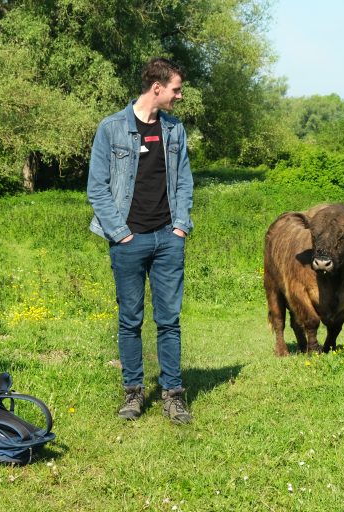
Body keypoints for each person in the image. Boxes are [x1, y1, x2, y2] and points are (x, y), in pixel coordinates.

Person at [87, 57, 194, 424]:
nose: (179, 96)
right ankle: (133, 393)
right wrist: (122, 234)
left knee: (169, 320)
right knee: (130, 321)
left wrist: (180, 227)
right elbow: (96, 189)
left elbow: (183, 182)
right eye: (176, 89)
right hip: (128, 242)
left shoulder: (175, 130)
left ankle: (173, 395)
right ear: (157, 87)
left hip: (168, 238)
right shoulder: (112, 128)